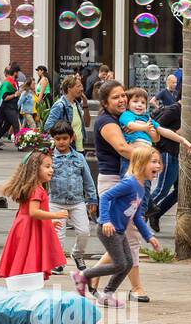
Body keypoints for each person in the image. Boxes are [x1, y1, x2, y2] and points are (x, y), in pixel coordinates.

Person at [74, 144, 162, 308]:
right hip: (108, 229)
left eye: (159, 162)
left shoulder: (141, 187)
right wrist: (105, 220)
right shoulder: (129, 183)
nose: (158, 166)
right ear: (141, 163)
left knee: (128, 263)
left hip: (119, 231)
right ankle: (83, 275)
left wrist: (149, 236)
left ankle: (107, 294)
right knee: (120, 264)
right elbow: (106, 196)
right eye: (154, 162)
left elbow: (135, 216)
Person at [92, 80, 153, 300]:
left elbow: (154, 133)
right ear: (105, 102)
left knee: (124, 238)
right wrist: (148, 159)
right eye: (115, 97)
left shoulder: (124, 118)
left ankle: (94, 275)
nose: (122, 100)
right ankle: (136, 288)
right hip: (114, 181)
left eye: (122, 96)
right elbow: (122, 148)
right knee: (130, 236)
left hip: (128, 179)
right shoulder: (106, 121)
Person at [0, 142, 67, 281]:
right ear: (35, 170)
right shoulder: (37, 190)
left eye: (51, 166)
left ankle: (25, 283)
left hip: (26, 225)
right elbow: (33, 212)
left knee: (25, 257)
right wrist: (55, 215)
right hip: (29, 227)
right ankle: (26, 285)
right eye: (47, 167)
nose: (51, 170)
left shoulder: (34, 187)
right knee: (29, 258)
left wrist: (49, 222)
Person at [48, 121, 97, 270]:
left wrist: (92, 199)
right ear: (53, 140)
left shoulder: (79, 158)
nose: (61, 142)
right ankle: (57, 261)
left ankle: (77, 254)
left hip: (77, 201)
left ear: (72, 138)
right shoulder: (49, 158)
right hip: (56, 201)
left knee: (84, 231)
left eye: (64, 138)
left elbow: (88, 180)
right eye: (57, 139)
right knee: (57, 234)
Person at [43, 75, 87, 151]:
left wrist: (85, 104)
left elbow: (87, 124)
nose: (81, 89)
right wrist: (67, 133)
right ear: (69, 88)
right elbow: (48, 126)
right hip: (68, 151)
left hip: (79, 149)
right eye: (78, 86)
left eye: (81, 86)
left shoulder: (77, 104)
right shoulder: (60, 105)